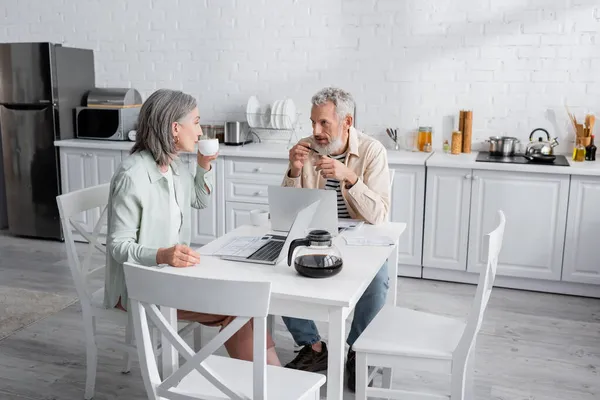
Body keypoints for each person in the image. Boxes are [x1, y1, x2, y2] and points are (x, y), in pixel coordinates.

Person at [104, 88, 281, 366]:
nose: (200, 132)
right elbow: (117, 247)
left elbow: (198, 199)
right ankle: (270, 386)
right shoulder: (133, 176)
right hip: (139, 287)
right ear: (175, 128)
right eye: (196, 122)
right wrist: (162, 255)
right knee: (237, 308)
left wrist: (203, 166)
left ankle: (271, 385)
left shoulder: (174, 167)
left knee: (240, 299)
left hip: (169, 276)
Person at [281, 87, 390, 390]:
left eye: (324, 123)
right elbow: (286, 211)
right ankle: (313, 348)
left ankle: (356, 350)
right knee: (279, 267)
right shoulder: (305, 147)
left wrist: (350, 177)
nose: (315, 131)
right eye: (313, 122)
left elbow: (379, 214)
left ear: (347, 122)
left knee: (378, 280)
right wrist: (293, 170)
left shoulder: (371, 151)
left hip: (360, 236)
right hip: (316, 234)